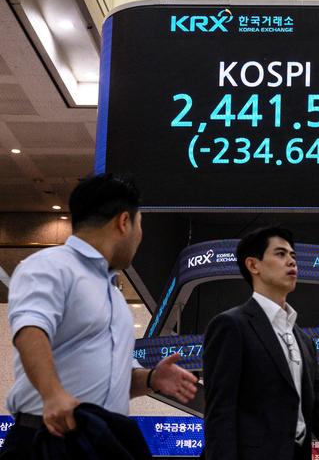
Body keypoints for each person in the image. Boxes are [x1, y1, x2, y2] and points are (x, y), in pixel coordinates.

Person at [0, 174, 198, 458]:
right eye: (140, 225)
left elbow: (110, 381)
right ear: (123, 222)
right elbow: (30, 329)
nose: (140, 237)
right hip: (47, 440)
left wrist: (152, 378)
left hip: (102, 440)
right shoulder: (49, 267)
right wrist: (52, 393)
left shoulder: (115, 297)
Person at [203, 227, 319, 460]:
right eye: (280, 254)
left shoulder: (304, 340)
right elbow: (220, 413)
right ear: (253, 265)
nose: (291, 261)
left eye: (293, 256)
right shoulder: (231, 326)